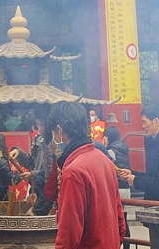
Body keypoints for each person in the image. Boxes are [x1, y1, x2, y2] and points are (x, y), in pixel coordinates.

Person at [47, 101, 126, 249]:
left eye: (53, 132)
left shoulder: (74, 172)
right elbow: (120, 219)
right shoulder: (105, 160)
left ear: (59, 129)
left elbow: (69, 233)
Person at [118, 104, 159, 246]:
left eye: (145, 122)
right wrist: (133, 174)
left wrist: (136, 181)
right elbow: (152, 175)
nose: (143, 126)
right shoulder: (155, 143)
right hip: (157, 208)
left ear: (156, 121)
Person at [103, 125, 132, 248]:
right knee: (124, 220)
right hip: (126, 188)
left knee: (117, 220)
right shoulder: (123, 148)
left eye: (104, 137)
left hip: (117, 189)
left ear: (109, 137)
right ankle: (128, 245)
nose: (103, 140)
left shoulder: (111, 151)